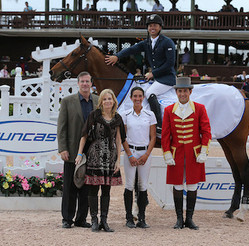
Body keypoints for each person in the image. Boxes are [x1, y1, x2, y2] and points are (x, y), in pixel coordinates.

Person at [105, 14, 176, 134]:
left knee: (149, 93)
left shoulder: (167, 42)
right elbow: (131, 49)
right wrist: (117, 56)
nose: (152, 28)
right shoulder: (147, 42)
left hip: (167, 78)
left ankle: (159, 125)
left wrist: (153, 73)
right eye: (150, 25)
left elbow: (170, 63)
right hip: (156, 78)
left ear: (160, 27)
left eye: (155, 25)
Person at [161, 77, 211, 230]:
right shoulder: (169, 110)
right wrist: (167, 153)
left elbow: (206, 131)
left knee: (192, 186)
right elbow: (165, 135)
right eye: (180, 91)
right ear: (176, 92)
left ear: (190, 92)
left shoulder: (200, 108)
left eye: (185, 91)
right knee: (177, 185)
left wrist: (204, 151)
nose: (182, 94)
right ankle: (178, 219)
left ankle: (189, 219)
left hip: (194, 154)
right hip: (176, 154)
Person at [75, 89, 123, 232]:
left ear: (114, 101)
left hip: (110, 156)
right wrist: (79, 154)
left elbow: (119, 139)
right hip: (95, 155)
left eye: (110, 98)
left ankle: (104, 220)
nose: (108, 101)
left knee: (106, 190)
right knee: (93, 189)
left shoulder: (118, 118)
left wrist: (118, 161)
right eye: (105, 99)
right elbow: (84, 136)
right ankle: (94, 220)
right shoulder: (94, 116)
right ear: (101, 102)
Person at [57, 71, 99, 229]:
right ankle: (67, 218)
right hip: (72, 150)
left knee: (86, 186)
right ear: (78, 83)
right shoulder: (68, 101)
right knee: (70, 186)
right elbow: (61, 127)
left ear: (91, 82)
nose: (85, 84)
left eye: (87, 81)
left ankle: (81, 218)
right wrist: (62, 148)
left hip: (92, 151)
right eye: (82, 81)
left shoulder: (97, 100)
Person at [121, 87, 157, 229]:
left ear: (143, 98)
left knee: (142, 185)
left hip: (144, 153)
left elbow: (153, 137)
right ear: (131, 98)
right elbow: (123, 137)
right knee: (129, 185)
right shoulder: (125, 114)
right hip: (131, 151)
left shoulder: (150, 114)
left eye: (140, 96)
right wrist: (129, 155)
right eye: (135, 96)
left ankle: (142, 217)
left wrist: (146, 155)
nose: (137, 98)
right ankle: (129, 218)